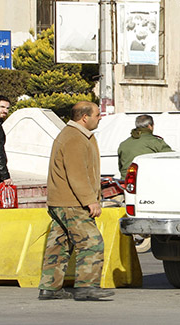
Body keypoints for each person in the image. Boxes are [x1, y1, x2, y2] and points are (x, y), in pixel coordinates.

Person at [38, 101, 114, 301]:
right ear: (84, 117)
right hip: (72, 202)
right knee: (91, 242)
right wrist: (91, 200)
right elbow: (77, 174)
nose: (100, 118)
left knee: (59, 245)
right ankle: (86, 287)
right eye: (97, 115)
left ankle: (50, 288)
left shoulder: (74, 135)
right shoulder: (75, 138)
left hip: (61, 201)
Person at [117, 115, 173, 180]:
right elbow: (171, 161)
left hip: (127, 184)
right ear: (150, 126)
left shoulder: (124, 144)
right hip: (147, 183)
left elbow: (121, 168)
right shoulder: (156, 143)